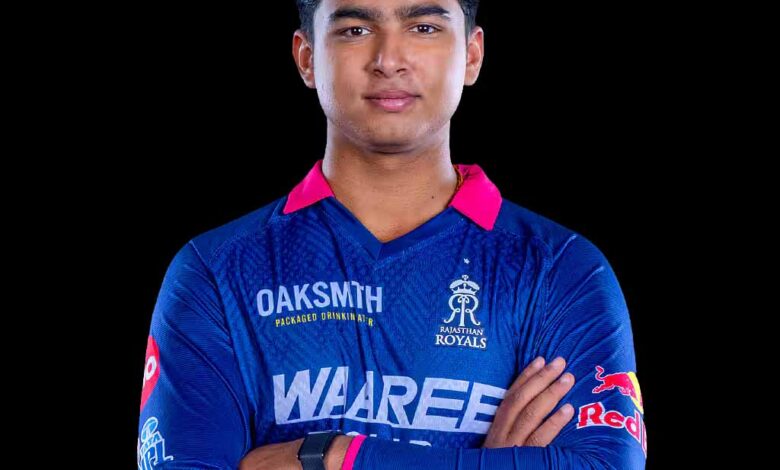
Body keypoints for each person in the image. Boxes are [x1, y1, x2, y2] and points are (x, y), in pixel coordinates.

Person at [136, 1, 647, 468]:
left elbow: (605, 465)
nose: (389, 60)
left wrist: (330, 456)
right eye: (355, 30)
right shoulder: (216, 269)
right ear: (307, 58)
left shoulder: (561, 268)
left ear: (471, 55)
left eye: (423, 27)